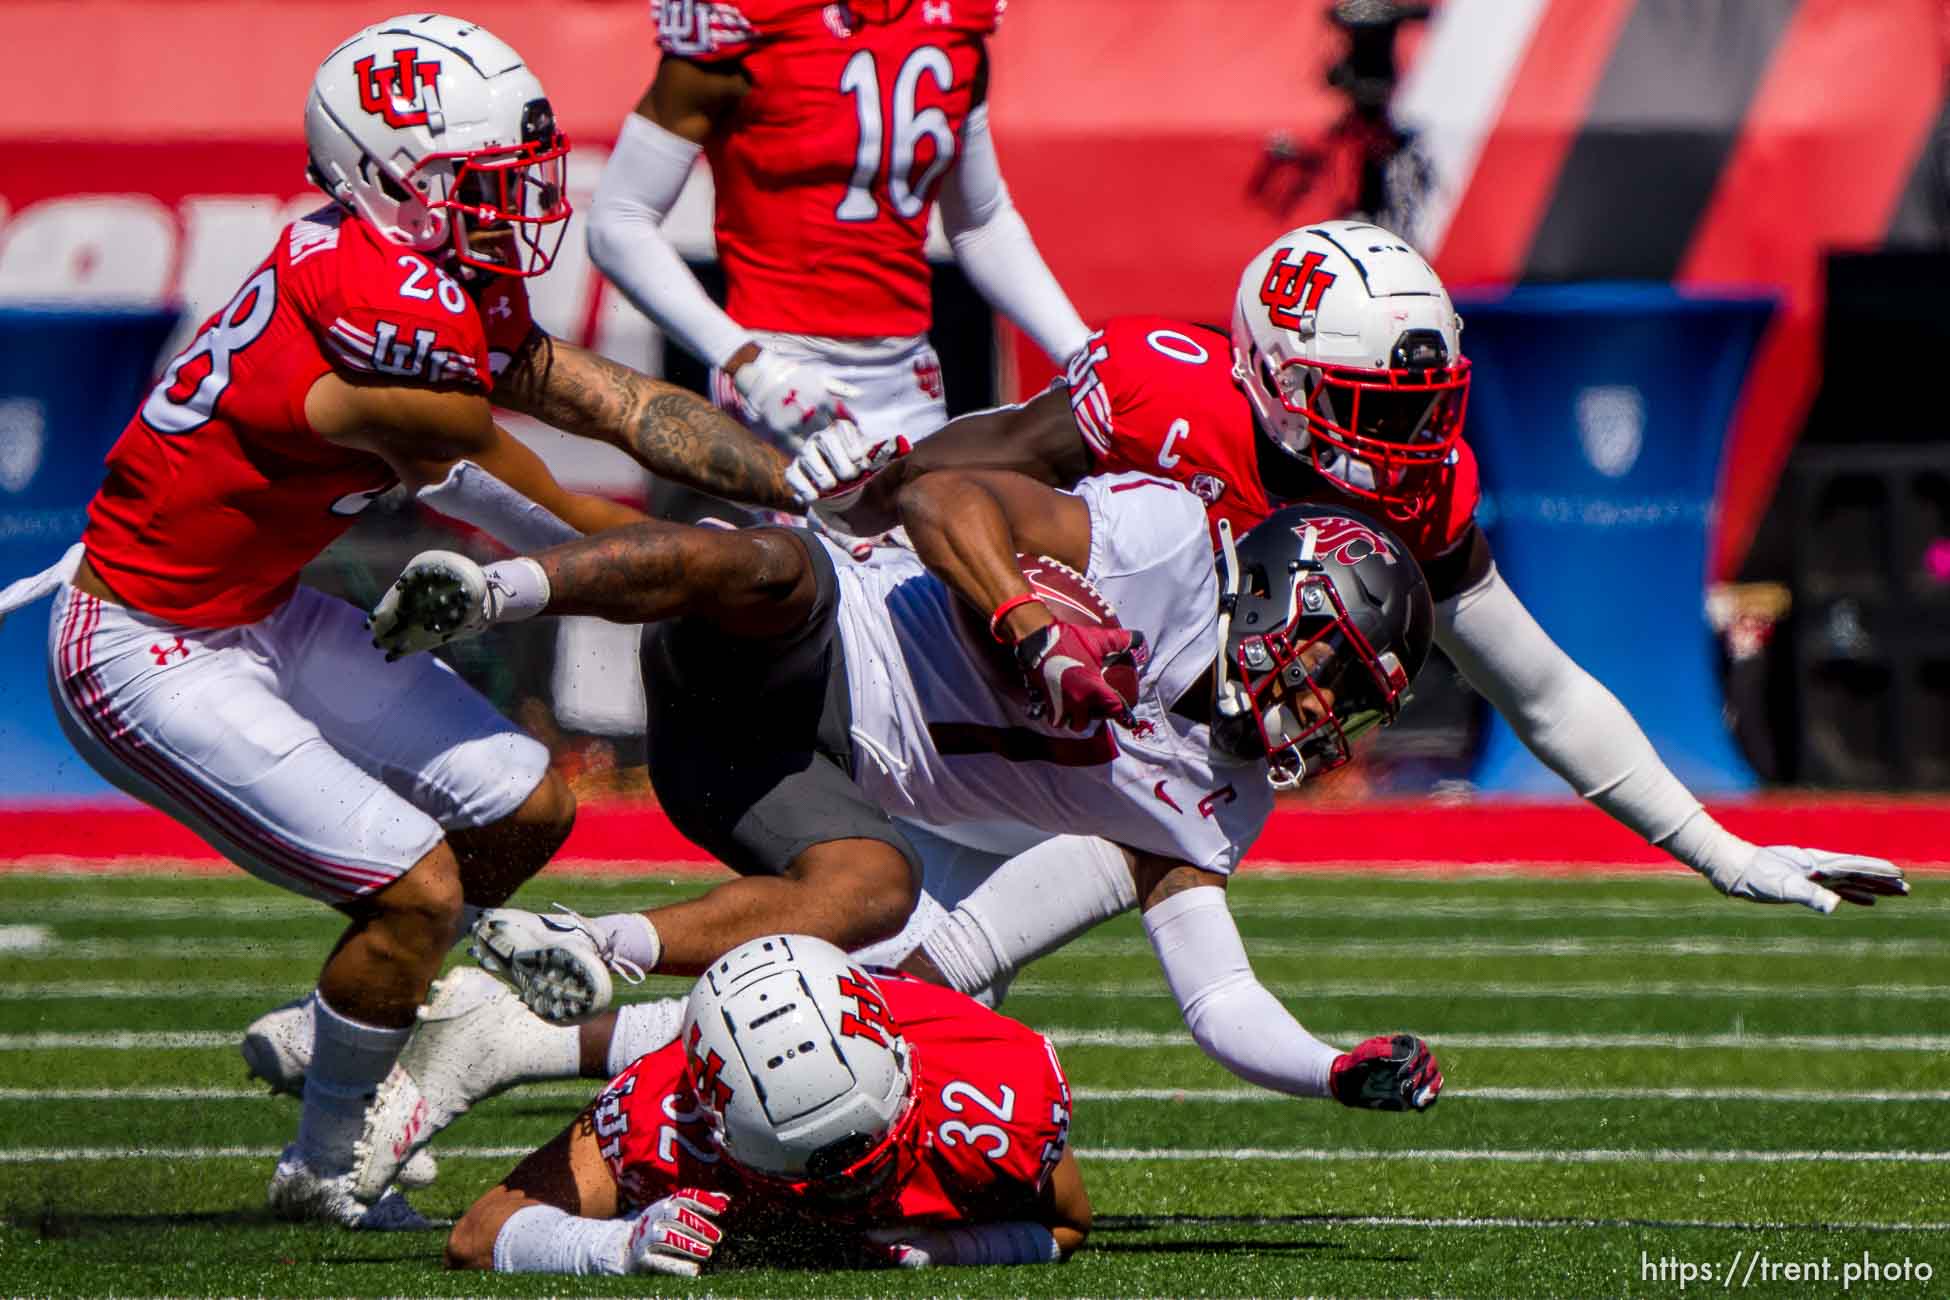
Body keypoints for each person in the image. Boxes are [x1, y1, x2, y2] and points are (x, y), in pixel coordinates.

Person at [31, 13, 803, 1229]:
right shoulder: (378, 296)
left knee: (530, 802)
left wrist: (800, 479)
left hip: (261, 610)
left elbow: (600, 392)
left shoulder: (416, 274)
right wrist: (729, 564)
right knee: (419, 890)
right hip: (143, 637)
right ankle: (326, 1158)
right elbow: (555, 523)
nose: (509, 207)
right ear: (376, 178)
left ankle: (365, 1005)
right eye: (477, 185)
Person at [780, 218, 1910, 1005]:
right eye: (1380, 408)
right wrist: (856, 494)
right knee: (864, 996)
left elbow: (1543, 689)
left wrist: (1717, 849)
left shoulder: (1425, 492)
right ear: (1277, 378)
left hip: (1114, 792)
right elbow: (959, 472)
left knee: (918, 1026)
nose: (1413, 445)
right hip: (956, 708)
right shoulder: (1163, 392)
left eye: (1428, 410)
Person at [363, 456, 1446, 1170]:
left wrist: (1329, 1066)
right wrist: (1025, 618)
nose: (1324, 714)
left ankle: (588, 957)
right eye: (1329, 674)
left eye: (1346, 704)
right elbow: (943, 498)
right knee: (770, 561)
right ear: (1269, 597)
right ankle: (492, 591)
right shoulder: (1163, 545)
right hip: (805, 644)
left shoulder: (1223, 797)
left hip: (790, 780)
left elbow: (1217, 993)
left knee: (875, 899)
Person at [586, 0, 1089, 488]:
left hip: (909, 378)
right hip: (781, 369)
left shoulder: (954, 23)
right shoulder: (744, 26)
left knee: (932, 566)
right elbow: (619, 222)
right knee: (803, 568)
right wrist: (748, 362)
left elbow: (981, 222)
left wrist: (1083, 355)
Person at [444, 934, 1091, 1275]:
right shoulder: (664, 1113)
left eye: (869, 1159)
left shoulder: (993, 1087)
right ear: (715, 1124)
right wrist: (615, 1248)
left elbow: (1068, 1225)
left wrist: (947, 1252)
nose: (846, 1195)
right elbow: (479, 1235)